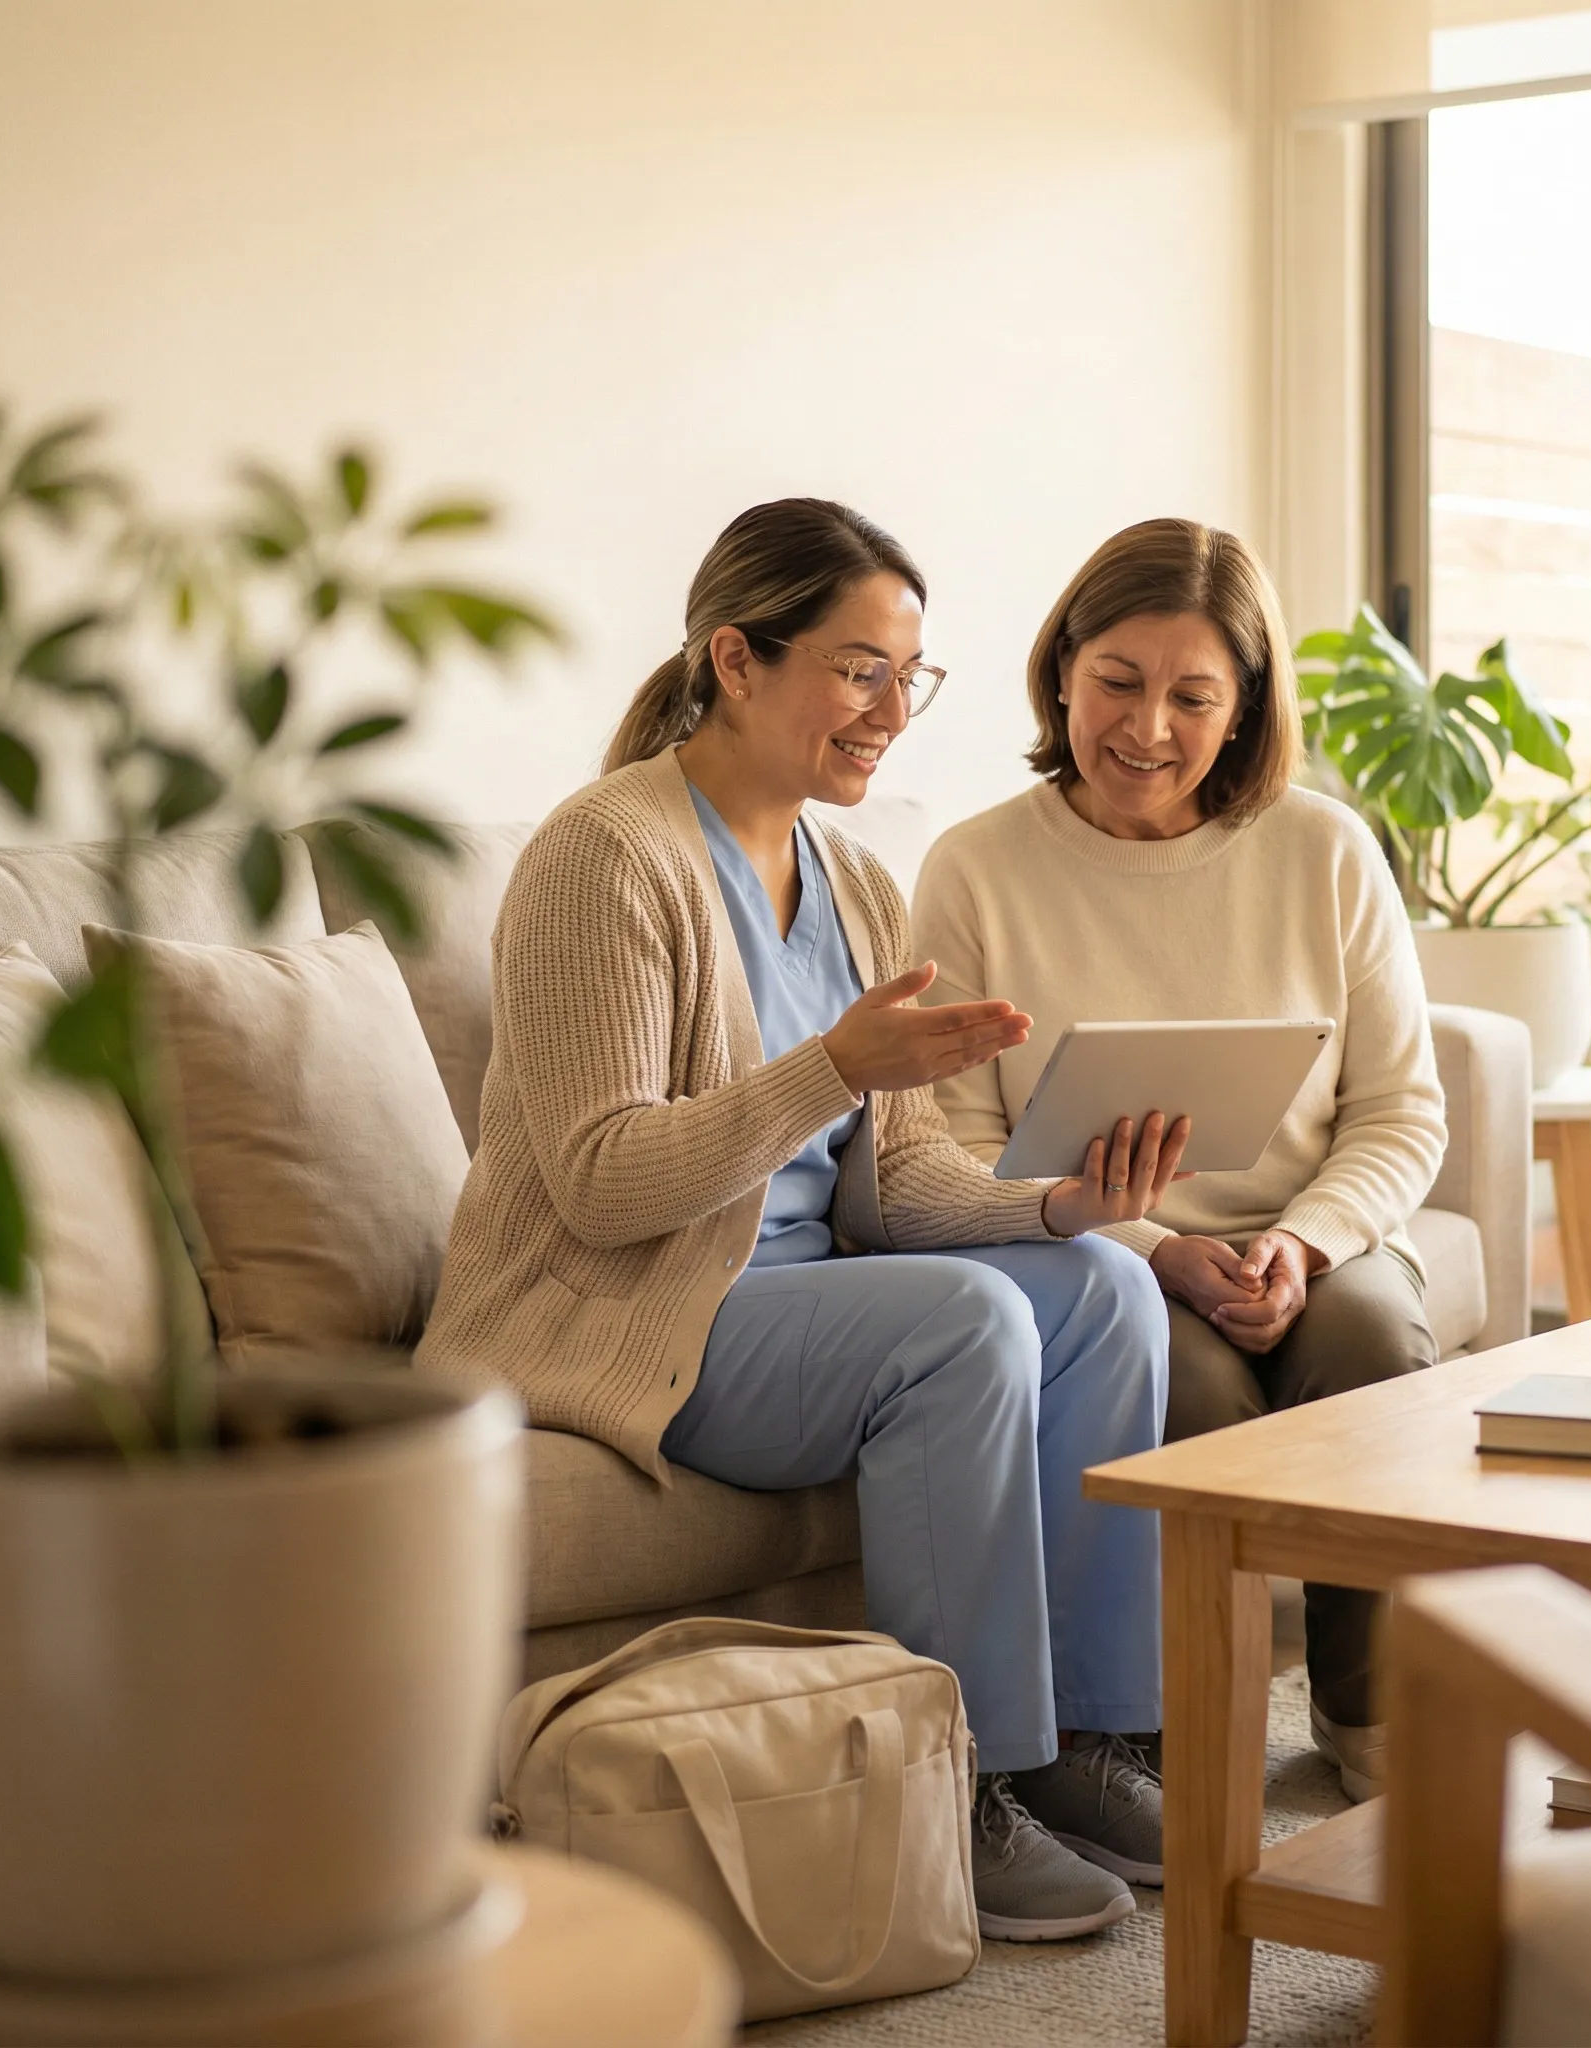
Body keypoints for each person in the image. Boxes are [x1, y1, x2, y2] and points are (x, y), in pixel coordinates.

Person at [417, 499, 1192, 1942]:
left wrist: (1065, 1204)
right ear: (737, 659)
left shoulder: (855, 880)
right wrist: (828, 1068)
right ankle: (953, 1781)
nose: (891, 711)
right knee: (960, 1322)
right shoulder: (608, 854)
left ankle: (1089, 1741)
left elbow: (890, 1186)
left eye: (911, 675)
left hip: (797, 1301)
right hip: (626, 1311)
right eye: (858, 670)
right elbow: (599, 1184)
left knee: (1101, 1288)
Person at [911, 517, 1448, 1803]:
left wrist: (1299, 1241)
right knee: (1186, 1387)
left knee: (1369, 1350)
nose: (1147, 727)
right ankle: (1168, 1743)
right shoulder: (976, 868)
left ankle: (1369, 1725)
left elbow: (1399, 1111)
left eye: (1192, 696)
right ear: (1059, 670)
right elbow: (951, 1143)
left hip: (1315, 1240)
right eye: (1117, 682)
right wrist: (1160, 1249)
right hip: (1103, 1259)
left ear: (1244, 707)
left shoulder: (1322, 851)